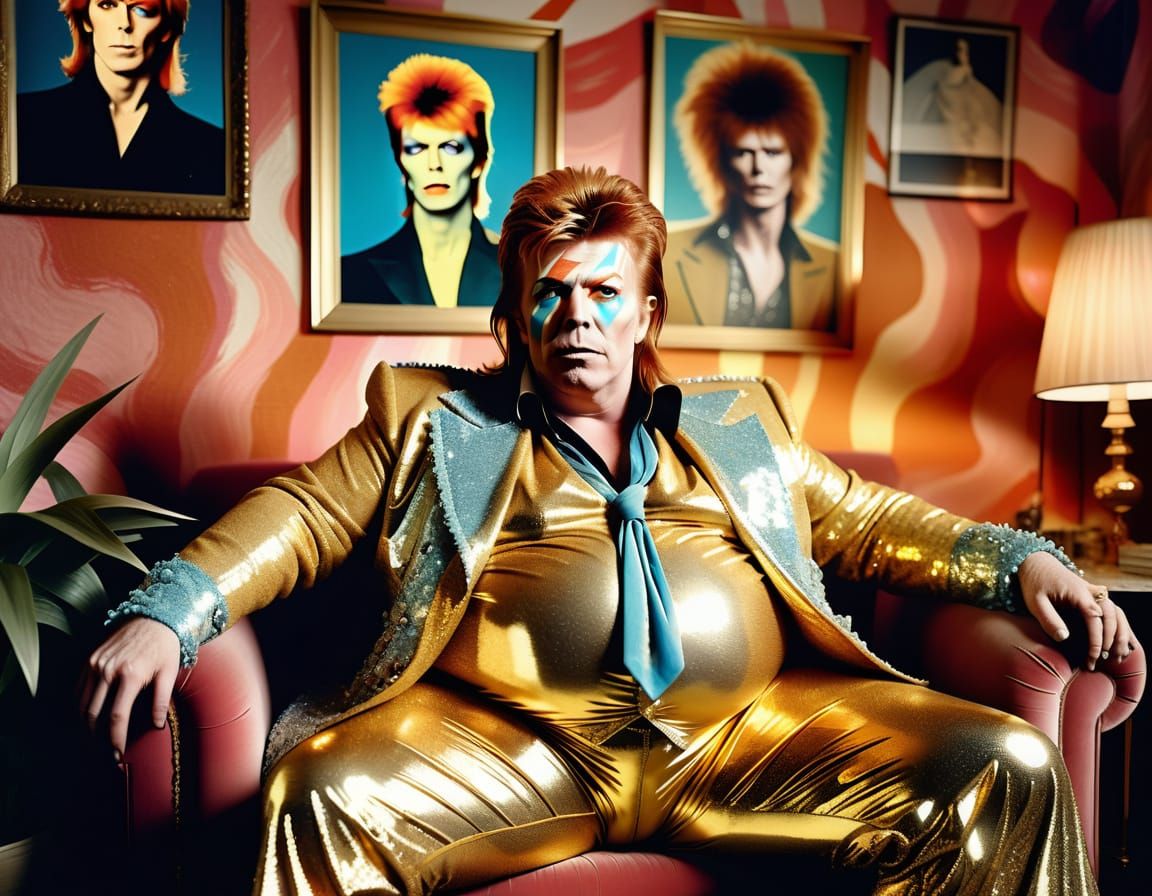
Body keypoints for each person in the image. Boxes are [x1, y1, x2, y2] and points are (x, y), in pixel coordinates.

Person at [85, 166, 1134, 895]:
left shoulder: (741, 426)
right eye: (549, 295)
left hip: (746, 738)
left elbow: (871, 520)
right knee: (322, 793)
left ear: (645, 313)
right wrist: (171, 609)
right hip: (516, 744)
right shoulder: (433, 421)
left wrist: (1022, 561)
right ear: (515, 318)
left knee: (1010, 764)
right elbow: (302, 516)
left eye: (603, 291)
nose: (577, 315)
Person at [665, 41, 838, 331]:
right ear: (722, 161)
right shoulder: (669, 252)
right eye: (743, 152)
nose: (759, 168)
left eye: (773, 152)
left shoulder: (835, 265)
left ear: (796, 160)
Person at [340, 53, 502, 308]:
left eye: (450, 147)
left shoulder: (519, 270)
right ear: (400, 160)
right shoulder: (352, 274)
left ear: (479, 160)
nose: (433, 164)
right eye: (416, 148)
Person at [17, 0, 225, 195]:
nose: (124, 24)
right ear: (86, 19)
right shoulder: (21, 119)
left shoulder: (213, 148)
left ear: (167, 29)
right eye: (107, 4)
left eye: (142, 10)